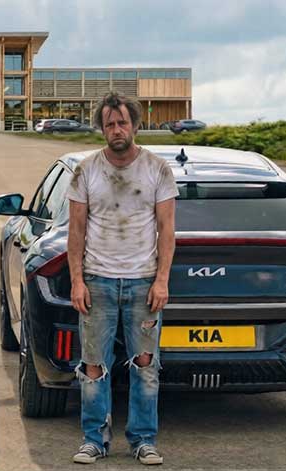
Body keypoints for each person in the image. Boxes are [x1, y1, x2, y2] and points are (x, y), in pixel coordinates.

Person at [65, 92, 178, 466]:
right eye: (110, 123)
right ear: (101, 128)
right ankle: (93, 440)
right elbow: (76, 232)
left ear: (135, 125)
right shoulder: (86, 171)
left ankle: (143, 440)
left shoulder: (157, 169)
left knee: (145, 367)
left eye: (123, 122)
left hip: (142, 284)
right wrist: (77, 281)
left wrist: (161, 281)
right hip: (97, 281)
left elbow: (167, 230)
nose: (117, 129)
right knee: (94, 367)